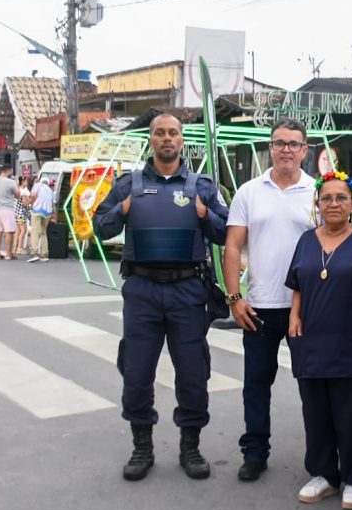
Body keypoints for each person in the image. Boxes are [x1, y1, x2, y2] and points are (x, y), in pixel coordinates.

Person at [92, 113, 228, 481]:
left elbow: (226, 232)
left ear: (182, 140)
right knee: (136, 372)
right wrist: (122, 210)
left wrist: (205, 215)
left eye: (173, 133)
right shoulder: (128, 185)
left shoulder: (202, 186)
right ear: (150, 140)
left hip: (188, 291)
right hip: (142, 291)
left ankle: (190, 447)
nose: (167, 138)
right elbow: (99, 228)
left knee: (193, 373)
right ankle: (142, 447)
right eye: (160, 133)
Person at [285, 171, 352, 509]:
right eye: (326, 198)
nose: (333, 203)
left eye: (341, 197)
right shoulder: (306, 241)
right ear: (317, 203)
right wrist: (294, 315)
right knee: (317, 413)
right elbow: (297, 283)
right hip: (312, 342)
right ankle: (324, 475)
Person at [222, 117, 315, 482]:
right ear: (270, 148)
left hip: (305, 309)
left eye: (294, 143)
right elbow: (233, 246)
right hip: (258, 307)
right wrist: (235, 298)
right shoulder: (249, 192)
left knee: (313, 386)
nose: (286, 149)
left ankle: (321, 458)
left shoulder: (318, 191)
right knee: (256, 386)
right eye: (279, 143)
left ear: (305, 150)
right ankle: (255, 453)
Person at [26, 176, 54, 263]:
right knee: (43, 232)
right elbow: (52, 203)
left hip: (37, 210)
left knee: (35, 231)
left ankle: (34, 253)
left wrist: (30, 203)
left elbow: (33, 195)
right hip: (47, 212)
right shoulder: (50, 191)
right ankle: (44, 254)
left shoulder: (37, 185)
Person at [13, 175, 31, 255]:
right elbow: (25, 203)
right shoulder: (23, 192)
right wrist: (32, 199)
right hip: (21, 214)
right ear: (22, 182)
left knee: (18, 231)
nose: (27, 182)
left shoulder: (18, 190)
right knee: (23, 230)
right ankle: (20, 248)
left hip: (16, 213)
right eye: (25, 181)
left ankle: (15, 247)